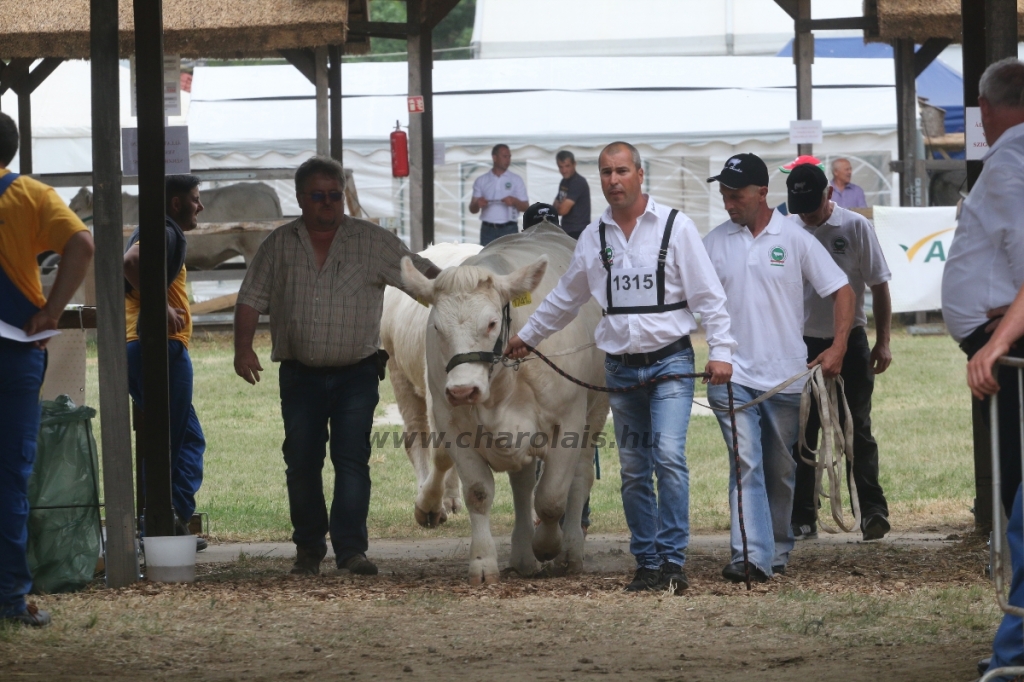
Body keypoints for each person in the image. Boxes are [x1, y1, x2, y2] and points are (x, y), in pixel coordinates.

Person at [505, 141, 735, 594]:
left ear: (640, 174)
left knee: (668, 457)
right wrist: (526, 338)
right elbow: (565, 299)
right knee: (633, 467)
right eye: (606, 172)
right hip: (621, 370)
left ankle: (672, 560)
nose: (614, 180)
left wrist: (722, 351)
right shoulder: (594, 237)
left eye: (622, 171)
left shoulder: (676, 227)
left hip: (670, 361)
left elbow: (709, 297)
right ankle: (646, 561)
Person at [233, 157, 441, 577]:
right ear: (300, 198)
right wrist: (242, 348)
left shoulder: (375, 242)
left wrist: (463, 284)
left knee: (351, 460)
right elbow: (250, 297)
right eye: (318, 196)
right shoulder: (279, 244)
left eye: (335, 196)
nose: (327, 204)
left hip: (357, 374)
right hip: (298, 373)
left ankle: (351, 550)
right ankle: (308, 547)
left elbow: (424, 277)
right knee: (302, 460)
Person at [702, 153, 854, 583]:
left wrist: (838, 345)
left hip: (786, 377)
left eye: (736, 195)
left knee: (780, 470)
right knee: (744, 463)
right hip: (731, 375)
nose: (729, 204)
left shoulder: (795, 238)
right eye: (724, 196)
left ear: (762, 193)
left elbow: (842, 291)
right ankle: (749, 555)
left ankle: (777, 548)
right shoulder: (712, 243)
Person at [943, 58, 1024, 681]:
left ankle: (1016, 648)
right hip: (1001, 341)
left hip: (1010, 348)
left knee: (1021, 503)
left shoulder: (1013, 161)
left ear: (990, 107)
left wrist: (997, 341)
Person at [0, 112, 94, 626]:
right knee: (10, 478)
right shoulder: (30, 195)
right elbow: (82, 246)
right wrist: (52, 311)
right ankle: (11, 600)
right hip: (14, 351)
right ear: (11, 151)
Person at [785, 163, 893, 542]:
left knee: (855, 428)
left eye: (812, 207)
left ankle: (873, 512)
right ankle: (802, 515)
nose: (807, 216)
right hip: (801, 344)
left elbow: (879, 286)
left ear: (829, 194)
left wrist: (883, 340)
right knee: (802, 431)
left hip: (851, 339)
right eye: (799, 208)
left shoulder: (855, 227)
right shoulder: (788, 228)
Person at [123, 174, 208, 552]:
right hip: (160, 349)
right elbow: (132, 261)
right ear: (176, 203)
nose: (200, 206)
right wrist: (159, 303)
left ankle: (172, 518)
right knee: (165, 442)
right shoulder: (166, 230)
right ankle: (154, 525)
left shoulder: (159, 229)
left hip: (148, 348)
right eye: (195, 198)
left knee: (185, 437)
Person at [469, 144, 529, 246]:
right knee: (487, 260)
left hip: (509, 228)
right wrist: (478, 203)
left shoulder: (516, 179)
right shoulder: (482, 180)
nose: (508, 160)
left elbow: (526, 207)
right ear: (494, 157)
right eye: (505, 156)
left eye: (509, 157)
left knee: (510, 259)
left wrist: (514, 201)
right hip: (488, 229)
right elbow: (472, 209)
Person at [553, 150, 591, 239]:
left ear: (574, 164)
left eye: (567, 166)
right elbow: (553, 208)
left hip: (578, 231)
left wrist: (559, 206)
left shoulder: (578, 182)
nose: (564, 170)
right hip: (567, 229)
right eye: (561, 167)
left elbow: (562, 210)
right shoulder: (564, 181)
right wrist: (559, 206)